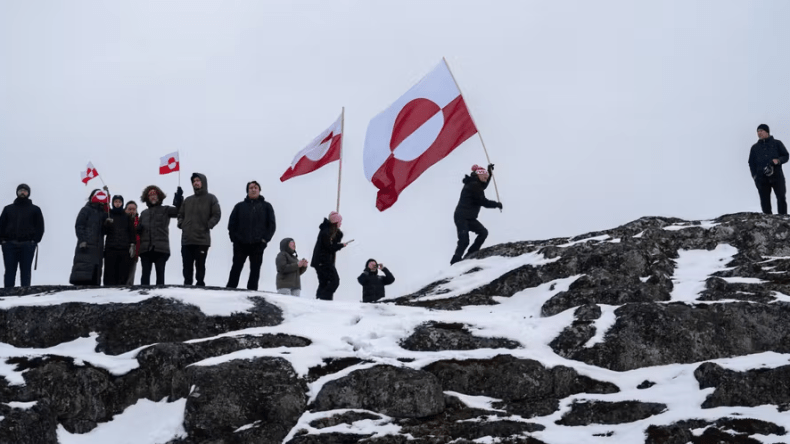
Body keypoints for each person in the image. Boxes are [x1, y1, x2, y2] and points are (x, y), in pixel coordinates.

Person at [226, 181, 276, 290]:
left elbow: (271, 225)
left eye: (255, 187)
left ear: (259, 190)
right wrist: (234, 239)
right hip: (240, 244)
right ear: (247, 190)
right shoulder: (239, 206)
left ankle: (252, 293)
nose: (253, 189)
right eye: (251, 188)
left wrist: (264, 240)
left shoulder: (266, 206)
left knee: (255, 270)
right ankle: (229, 289)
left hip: (258, 244)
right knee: (236, 267)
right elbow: (231, 224)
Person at [451, 164, 502, 265]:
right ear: (478, 175)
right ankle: (455, 261)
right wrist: (497, 204)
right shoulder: (474, 185)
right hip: (462, 216)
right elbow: (483, 202)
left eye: (487, 176)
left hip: (469, 217)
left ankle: (470, 255)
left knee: (483, 232)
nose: (486, 178)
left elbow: (484, 185)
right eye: (484, 176)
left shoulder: (476, 183)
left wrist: (490, 172)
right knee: (464, 240)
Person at [178, 173, 220, 286]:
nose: (195, 183)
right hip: (187, 239)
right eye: (194, 181)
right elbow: (180, 214)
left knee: (200, 265)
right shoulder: (187, 200)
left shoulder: (211, 198)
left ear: (203, 182)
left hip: (202, 239)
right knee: (187, 265)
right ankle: (187, 285)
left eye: (198, 180)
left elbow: (216, 214)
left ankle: (200, 285)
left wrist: (208, 225)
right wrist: (182, 224)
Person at [0, 184, 45, 288]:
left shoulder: (35, 209)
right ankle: (8, 293)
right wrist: (2, 241)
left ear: (28, 193)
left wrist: (34, 241)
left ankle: (25, 294)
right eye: (21, 190)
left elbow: (40, 227)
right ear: (17, 192)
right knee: (9, 270)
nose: (23, 192)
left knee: (26, 270)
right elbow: (1, 225)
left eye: (25, 191)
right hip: (9, 245)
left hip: (28, 244)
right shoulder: (8, 209)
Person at [138, 185, 183, 285]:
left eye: (155, 194)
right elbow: (138, 230)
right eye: (150, 195)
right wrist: (138, 230)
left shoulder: (166, 209)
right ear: (147, 197)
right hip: (145, 249)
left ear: (159, 196)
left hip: (161, 248)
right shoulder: (143, 213)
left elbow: (179, 211)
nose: (153, 196)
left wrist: (179, 200)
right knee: (145, 275)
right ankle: (142, 296)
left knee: (160, 274)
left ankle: (160, 297)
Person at [69, 188, 109, 286]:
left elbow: (105, 232)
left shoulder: (103, 213)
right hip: (86, 247)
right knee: (82, 274)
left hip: (98, 249)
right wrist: (82, 239)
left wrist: (107, 224)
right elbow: (79, 225)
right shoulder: (86, 210)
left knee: (95, 276)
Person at [749, 124, 789, 215]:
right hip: (761, 178)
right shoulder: (755, 148)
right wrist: (755, 176)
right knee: (764, 201)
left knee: (781, 197)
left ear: (767, 132)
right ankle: (768, 220)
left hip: (777, 176)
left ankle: (783, 218)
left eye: (761, 131)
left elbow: (786, 155)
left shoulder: (777, 143)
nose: (759, 133)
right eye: (758, 131)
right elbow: (751, 163)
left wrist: (778, 161)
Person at [311, 211, 351, 301]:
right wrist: (341, 245)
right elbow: (330, 247)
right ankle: (324, 299)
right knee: (334, 281)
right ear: (336, 222)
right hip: (323, 261)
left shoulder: (327, 231)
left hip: (321, 261)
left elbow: (332, 244)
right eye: (340, 221)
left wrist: (338, 236)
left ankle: (320, 300)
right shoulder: (326, 232)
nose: (341, 223)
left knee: (324, 282)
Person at [103, 195, 136, 286]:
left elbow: (132, 231)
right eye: (116, 202)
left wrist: (132, 244)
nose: (117, 204)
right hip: (110, 248)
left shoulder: (127, 216)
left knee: (123, 273)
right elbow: (104, 232)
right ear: (113, 203)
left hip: (124, 249)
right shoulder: (109, 215)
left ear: (122, 203)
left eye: (119, 202)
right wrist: (106, 224)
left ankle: (121, 292)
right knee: (109, 272)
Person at [125, 200, 140, 285]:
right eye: (129, 209)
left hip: (135, 253)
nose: (131, 211)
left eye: (133, 209)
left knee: (130, 276)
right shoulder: (121, 220)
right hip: (121, 250)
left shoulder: (140, 221)